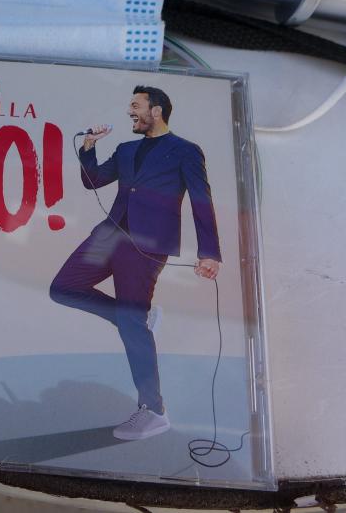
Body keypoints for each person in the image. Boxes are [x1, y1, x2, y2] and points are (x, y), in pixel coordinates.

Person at [49, 86, 221, 440]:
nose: (130, 111)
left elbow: (201, 200)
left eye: (136, 105)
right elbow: (93, 181)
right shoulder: (126, 149)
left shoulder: (185, 151)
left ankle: (154, 411)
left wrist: (209, 252)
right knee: (63, 288)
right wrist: (89, 146)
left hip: (146, 244)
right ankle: (135, 318)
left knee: (131, 325)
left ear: (156, 111)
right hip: (109, 234)